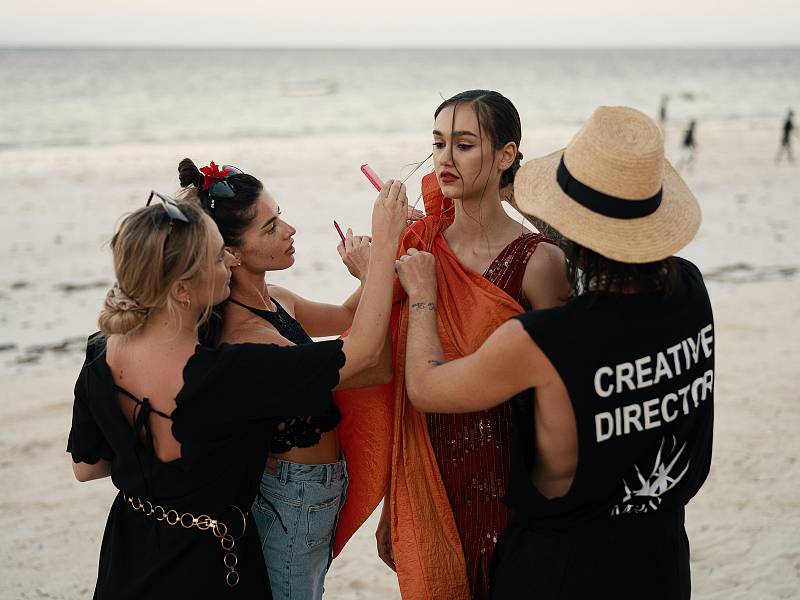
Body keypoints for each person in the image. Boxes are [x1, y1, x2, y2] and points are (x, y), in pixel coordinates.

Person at [395, 105, 713, 600]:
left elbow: (426, 388)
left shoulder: (546, 339)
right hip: (659, 550)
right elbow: (604, 245)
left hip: (566, 560)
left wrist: (422, 295)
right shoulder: (690, 291)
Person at [67, 181, 408, 599]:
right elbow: (367, 357)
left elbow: (88, 467)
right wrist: (388, 238)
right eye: (217, 257)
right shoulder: (232, 372)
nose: (229, 262)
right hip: (207, 563)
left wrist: (155, 465)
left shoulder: (99, 353)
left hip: (129, 550)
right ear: (181, 289)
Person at [365, 90, 569, 600]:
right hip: (428, 471)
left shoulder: (538, 261)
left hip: (512, 479)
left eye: (464, 144)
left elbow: (563, 393)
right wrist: (396, 499)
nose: (445, 159)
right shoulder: (421, 248)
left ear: (505, 155)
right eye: (438, 144)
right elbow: (375, 355)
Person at [176, 158, 391, 599]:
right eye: (270, 226)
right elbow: (372, 364)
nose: (290, 229)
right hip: (292, 497)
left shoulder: (277, 300)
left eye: (281, 214)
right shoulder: (248, 337)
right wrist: (379, 261)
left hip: (311, 491)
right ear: (230, 253)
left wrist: (394, 250)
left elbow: (350, 316)